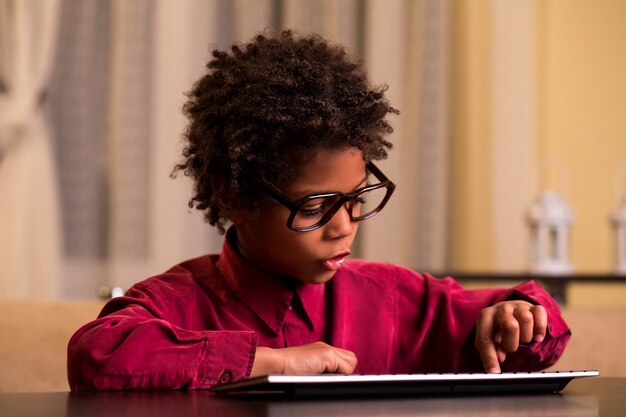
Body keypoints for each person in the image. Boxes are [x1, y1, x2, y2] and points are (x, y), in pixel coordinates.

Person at [67, 30, 571, 391]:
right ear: (234, 197)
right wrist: (270, 363)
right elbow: (97, 353)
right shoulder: (177, 301)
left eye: (356, 200)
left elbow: (534, 325)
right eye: (317, 206)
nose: (344, 227)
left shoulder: (390, 296)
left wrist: (520, 319)